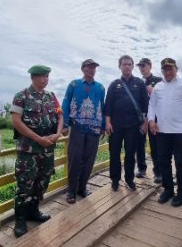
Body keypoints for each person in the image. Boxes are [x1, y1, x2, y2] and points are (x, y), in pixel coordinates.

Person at [11, 65, 63, 238]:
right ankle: (20, 220)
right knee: (25, 183)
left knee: (43, 181)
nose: (45, 79)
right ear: (32, 77)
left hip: (48, 148)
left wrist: (57, 134)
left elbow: (60, 116)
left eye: (47, 76)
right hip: (29, 150)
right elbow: (17, 122)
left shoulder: (52, 97)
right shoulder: (21, 96)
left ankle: (33, 211)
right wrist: (38, 138)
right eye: (41, 76)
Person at [148, 58, 182, 206]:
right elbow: (152, 106)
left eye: (170, 69)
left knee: (181, 163)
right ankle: (168, 189)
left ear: (176, 69)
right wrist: (150, 120)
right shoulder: (158, 87)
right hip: (162, 131)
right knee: (164, 162)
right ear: (162, 71)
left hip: (181, 132)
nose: (168, 72)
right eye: (165, 69)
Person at [61, 59, 106, 204]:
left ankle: (82, 187)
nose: (91, 69)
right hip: (77, 126)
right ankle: (71, 191)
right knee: (75, 159)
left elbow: (102, 106)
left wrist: (103, 125)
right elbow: (66, 103)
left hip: (94, 129)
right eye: (88, 67)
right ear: (83, 69)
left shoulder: (100, 87)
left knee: (89, 160)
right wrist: (65, 124)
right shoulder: (74, 84)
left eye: (93, 67)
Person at [105, 55, 148, 191]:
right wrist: (107, 123)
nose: (127, 66)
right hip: (116, 125)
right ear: (120, 66)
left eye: (129, 64)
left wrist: (145, 123)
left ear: (132, 66)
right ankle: (115, 180)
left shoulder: (139, 83)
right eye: (124, 64)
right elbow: (108, 106)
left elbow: (145, 105)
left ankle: (129, 179)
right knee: (114, 153)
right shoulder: (114, 84)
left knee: (130, 153)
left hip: (133, 125)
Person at [135, 58, 162, 183]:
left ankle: (158, 172)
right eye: (140, 66)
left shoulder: (158, 81)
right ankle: (141, 168)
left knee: (155, 145)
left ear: (150, 66)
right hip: (140, 117)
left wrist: (153, 90)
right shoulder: (137, 82)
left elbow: (162, 97)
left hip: (154, 118)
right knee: (139, 144)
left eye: (144, 65)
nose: (142, 68)